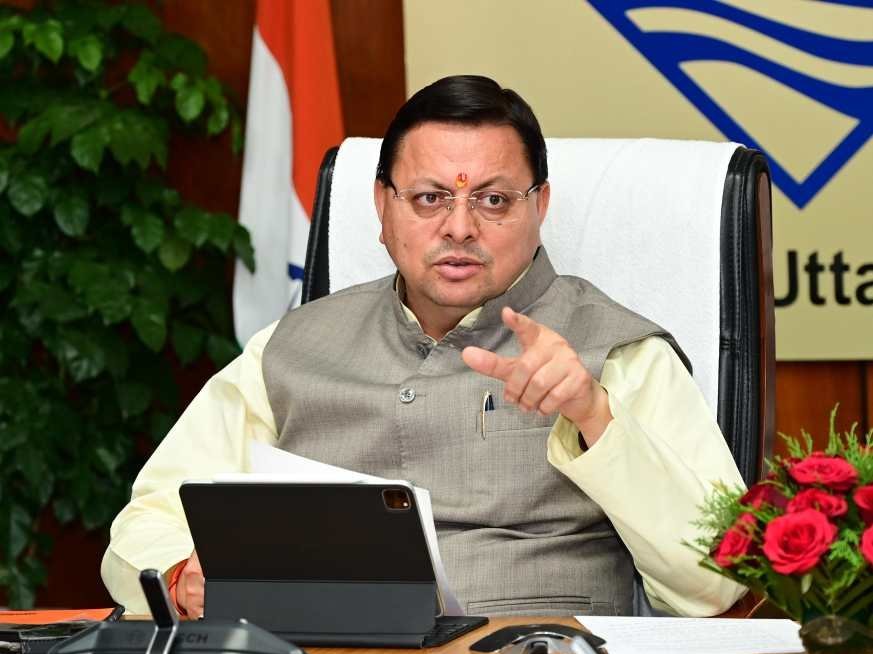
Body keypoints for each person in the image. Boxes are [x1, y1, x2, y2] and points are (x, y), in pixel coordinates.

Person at [101, 75, 746, 619]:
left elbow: (719, 581)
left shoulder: (619, 353)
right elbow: (148, 521)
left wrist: (593, 415)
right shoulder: (290, 348)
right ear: (382, 206)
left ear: (540, 206)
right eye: (430, 198)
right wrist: (182, 576)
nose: (459, 227)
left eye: (493, 200)